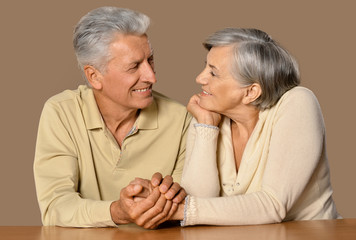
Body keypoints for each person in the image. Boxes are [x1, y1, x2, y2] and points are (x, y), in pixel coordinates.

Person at [33, 6, 191, 229]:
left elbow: (184, 207)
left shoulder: (181, 119)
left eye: (150, 60)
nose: (151, 76)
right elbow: (55, 207)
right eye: (134, 66)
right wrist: (117, 211)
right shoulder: (61, 113)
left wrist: (163, 201)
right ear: (94, 76)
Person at [170, 28, 341, 225]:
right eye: (205, 67)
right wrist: (206, 127)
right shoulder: (207, 114)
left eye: (213, 73)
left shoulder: (298, 103)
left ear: (251, 92)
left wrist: (178, 210)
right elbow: (199, 198)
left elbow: (273, 205)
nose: (200, 78)